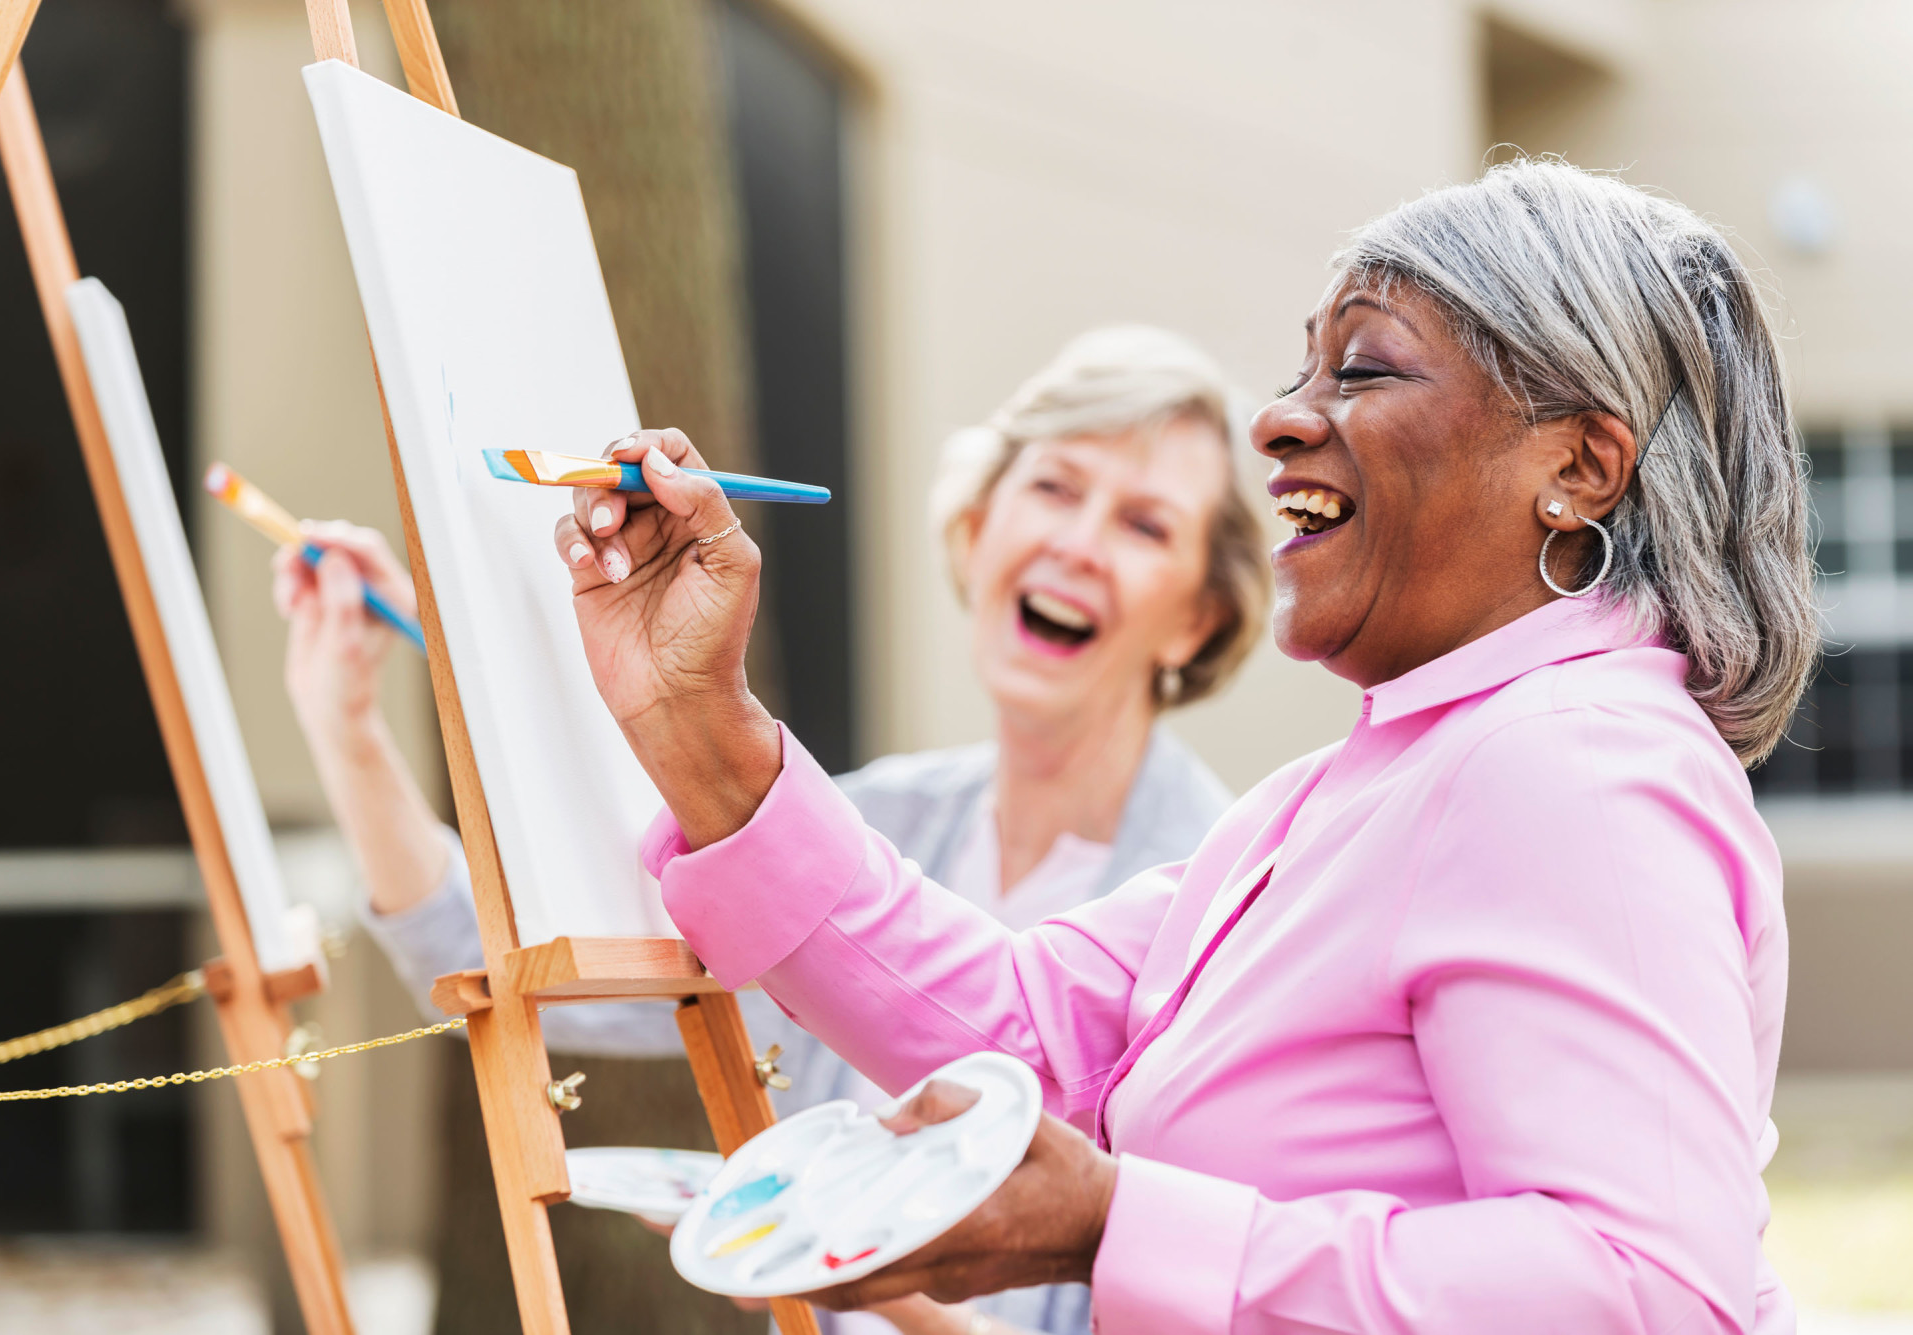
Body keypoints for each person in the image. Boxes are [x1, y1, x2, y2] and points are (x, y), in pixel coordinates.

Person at [551, 158, 1816, 1334]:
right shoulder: (1350, 790)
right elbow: (1026, 1036)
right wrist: (693, 720)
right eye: (1301, 371)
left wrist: (1114, 1225)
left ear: (1579, 466)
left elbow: (1646, 1293)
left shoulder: (1570, 766)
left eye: (1363, 371)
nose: (1276, 420)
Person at [273, 326, 1273, 1335]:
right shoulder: (858, 831)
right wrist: (347, 725)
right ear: (977, 525)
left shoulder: (1221, 909)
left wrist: (836, 1258)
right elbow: (497, 962)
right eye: (1054, 488)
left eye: (1144, 526)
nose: (1078, 544)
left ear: (1199, 618)